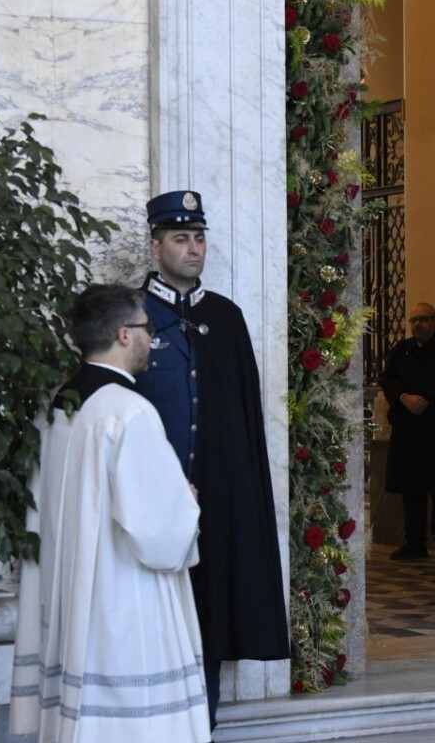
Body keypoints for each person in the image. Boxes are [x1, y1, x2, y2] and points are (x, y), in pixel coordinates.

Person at [10, 284, 210, 742]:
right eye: (147, 328)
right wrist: (187, 501)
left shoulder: (61, 400)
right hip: (122, 599)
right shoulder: (129, 411)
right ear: (124, 334)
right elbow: (157, 531)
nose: (150, 338)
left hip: (71, 589)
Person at [134, 190, 289, 729]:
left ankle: (203, 723)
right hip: (151, 498)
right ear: (156, 247)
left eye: (199, 238)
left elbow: (244, 417)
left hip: (216, 496)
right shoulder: (131, 315)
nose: (194, 248)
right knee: (148, 611)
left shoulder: (225, 317)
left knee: (212, 606)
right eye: (181, 238)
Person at [378, 302, 435, 560]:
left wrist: (426, 399)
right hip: (408, 428)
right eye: (414, 320)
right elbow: (388, 378)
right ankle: (414, 542)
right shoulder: (402, 350)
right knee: (411, 488)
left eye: (424, 319)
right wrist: (404, 397)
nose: (418, 324)